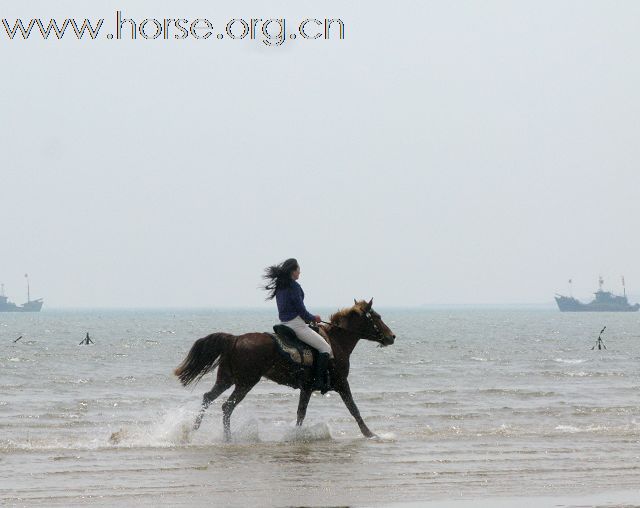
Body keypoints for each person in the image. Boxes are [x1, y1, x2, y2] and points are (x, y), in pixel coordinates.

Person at [263, 258, 333, 393]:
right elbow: (301, 310)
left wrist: (309, 319)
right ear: (293, 271)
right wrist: (313, 318)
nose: (300, 273)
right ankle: (318, 381)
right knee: (325, 347)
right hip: (296, 325)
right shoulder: (294, 286)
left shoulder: (280, 286)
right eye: (298, 270)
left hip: (284, 323)